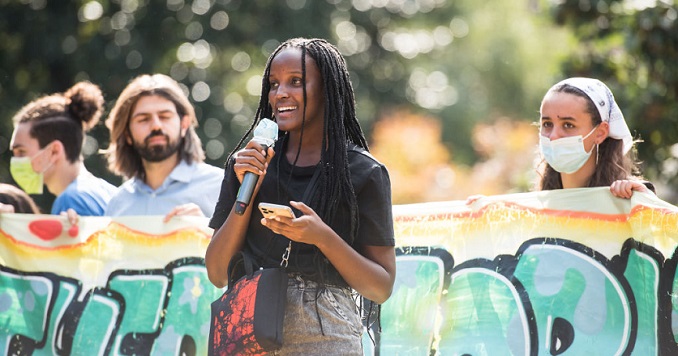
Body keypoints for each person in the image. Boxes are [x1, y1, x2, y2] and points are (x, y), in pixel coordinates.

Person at [205, 38, 396, 354]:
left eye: (296, 82)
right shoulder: (248, 164)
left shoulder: (363, 172)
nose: (280, 94)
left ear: (327, 90)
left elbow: (380, 286)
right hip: (250, 332)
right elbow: (215, 271)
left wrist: (322, 237)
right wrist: (247, 192)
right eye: (274, 84)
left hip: (326, 336)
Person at [104, 73, 223, 220]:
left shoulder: (221, 187)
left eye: (165, 116)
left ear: (184, 124)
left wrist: (204, 230)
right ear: (127, 134)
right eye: (143, 119)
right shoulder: (117, 204)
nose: (156, 126)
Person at [9, 81, 116, 216]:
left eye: (21, 152)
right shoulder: (107, 191)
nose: (15, 161)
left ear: (54, 151)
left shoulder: (71, 202)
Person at [537, 77, 654, 197]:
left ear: (600, 133)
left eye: (568, 125)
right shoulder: (533, 208)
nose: (553, 136)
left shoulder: (626, 197)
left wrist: (643, 201)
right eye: (547, 124)